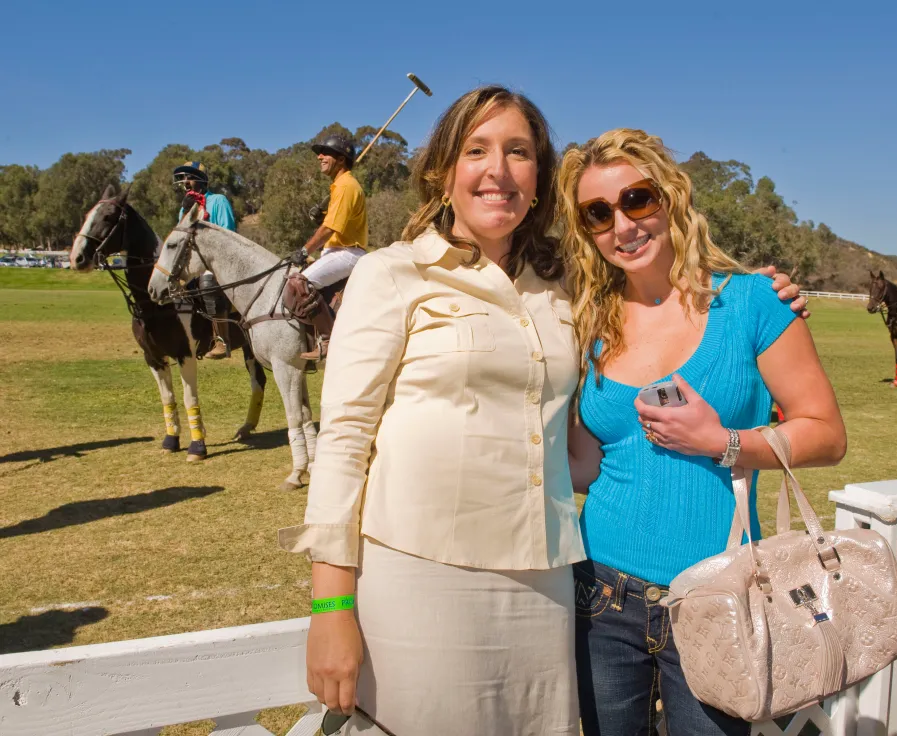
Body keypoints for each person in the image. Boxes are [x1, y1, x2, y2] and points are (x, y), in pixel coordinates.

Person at [279, 87, 805, 736]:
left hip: (549, 584)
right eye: (476, 150)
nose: (497, 169)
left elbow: (654, 290)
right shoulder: (393, 275)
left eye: (518, 152)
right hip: (420, 576)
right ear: (444, 173)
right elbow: (343, 443)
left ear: (538, 180)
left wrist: (762, 297)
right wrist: (332, 603)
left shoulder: (568, 287)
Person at [558, 129, 847, 736]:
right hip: (601, 597)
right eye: (599, 213)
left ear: (672, 199)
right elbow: (584, 465)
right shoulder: (589, 323)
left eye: (638, 200)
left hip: (719, 595)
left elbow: (826, 434)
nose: (623, 225)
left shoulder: (750, 302)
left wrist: (724, 442)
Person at [289, 135, 368, 361]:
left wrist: (305, 250)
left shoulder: (346, 186)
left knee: (299, 282)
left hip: (347, 252)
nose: (319, 157)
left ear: (341, 159)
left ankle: (327, 339)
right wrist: (321, 215)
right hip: (336, 251)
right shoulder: (340, 186)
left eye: (325, 153)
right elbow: (335, 221)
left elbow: (330, 228)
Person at [173, 160, 237, 359]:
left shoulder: (218, 201)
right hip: (193, 263)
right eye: (183, 178)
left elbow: (228, 233)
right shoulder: (185, 207)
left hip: (217, 262)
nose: (185, 181)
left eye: (189, 177)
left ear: (201, 180)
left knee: (207, 281)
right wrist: (185, 213)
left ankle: (221, 341)